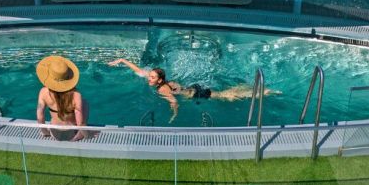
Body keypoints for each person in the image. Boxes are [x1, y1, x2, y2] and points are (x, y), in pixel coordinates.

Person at [108, 58, 279, 122]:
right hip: (191, 89)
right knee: (227, 92)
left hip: (197, 94)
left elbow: (174, 102)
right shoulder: (158, 80)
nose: (149, 78)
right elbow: (138, 70)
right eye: (149, 76)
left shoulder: (162, 90)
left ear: (159, 80)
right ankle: (251, 89)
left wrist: (174, 115)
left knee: (228, 96)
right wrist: (121, 60)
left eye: (152, 77)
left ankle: (264, 92)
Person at [36, 55, 89, 141]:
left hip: (54, 133)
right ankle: (80, 135)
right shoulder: (76, 95)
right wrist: (87, 135)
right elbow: (80, 122)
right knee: (85, 103)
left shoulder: (43, 92)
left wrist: (45, 132)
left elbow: (40, 116)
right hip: (73, 134)